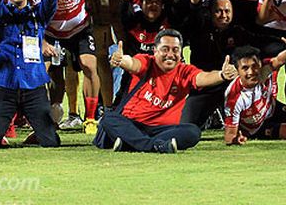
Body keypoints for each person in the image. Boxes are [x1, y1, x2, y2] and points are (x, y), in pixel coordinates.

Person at [100, 29, 237, 153]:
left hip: (162, 130)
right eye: (165, 49)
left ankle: (130, 143)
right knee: (109, 118)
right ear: (155, 50)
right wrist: (121, 60)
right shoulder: (147, 62)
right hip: (132, 124)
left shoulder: (185, 71)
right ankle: (155, 146)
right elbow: (132, 64)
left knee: (193, 132)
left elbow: (203, 77)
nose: (170, 54)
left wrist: (222, 75)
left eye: (175, 50)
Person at [30, 0, 108, 134]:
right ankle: (44, 118)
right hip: (51, 33)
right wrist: (42, 42)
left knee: (90, 65)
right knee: (43, 72)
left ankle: (90, 118)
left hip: (79, 29)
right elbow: (35, 16)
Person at [0, 0, 61, 149]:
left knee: (51, 142)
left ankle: (39, 132)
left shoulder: (37, 15)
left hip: (33, 84)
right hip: (4, 85)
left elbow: (50, 4)